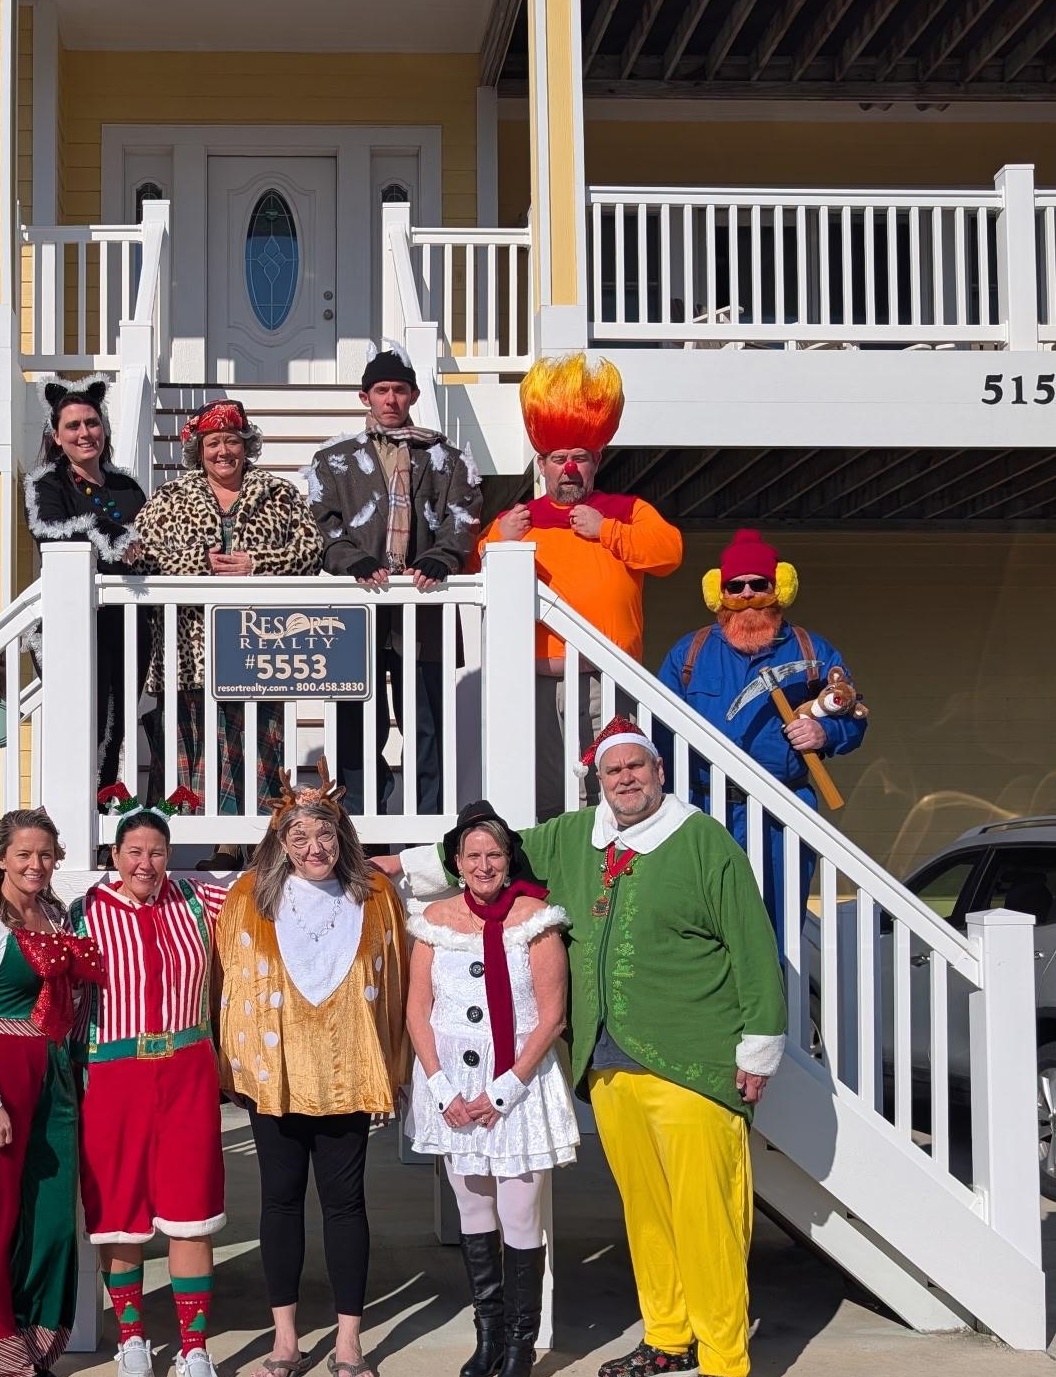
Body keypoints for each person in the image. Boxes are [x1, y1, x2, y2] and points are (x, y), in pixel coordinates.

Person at [389, 716, 786, 1377]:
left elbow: (752, 944)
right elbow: (487, 851)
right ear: (598, 780)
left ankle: (726, 1363)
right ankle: (668, 1338)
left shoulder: (704, 843)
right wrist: (392, 866)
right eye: (613, 770)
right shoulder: (577, 836)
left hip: (693, 1058)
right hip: (608, 1063)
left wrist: (757, 1047)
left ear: (658, 772)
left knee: (706, 1216)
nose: (626, 779)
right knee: (647, 1211)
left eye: (637, 767)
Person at [214, 764, 408, 1377]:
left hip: (346, 1071)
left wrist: (392, 1067)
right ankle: (285, 1339)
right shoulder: (249, 898)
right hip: (275, 1075)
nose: (314, 848)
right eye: (299, 836)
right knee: (280, 1202)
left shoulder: (374, 897)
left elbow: (398, 984)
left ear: (342, 837)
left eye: (325, 834)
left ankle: (348, 1340)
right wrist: (235, 1066)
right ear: (280, 842)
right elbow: (228, 983)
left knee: (346, 1205)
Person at [405, 801, 577, 1377]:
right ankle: (488, 1335)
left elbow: (552, 1017)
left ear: (508, 860)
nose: (483, 865)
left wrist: (504, 1089)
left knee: (520, 1215)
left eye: (494, 854)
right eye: (473, 855)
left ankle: (520, 1347)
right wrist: (441, 1088)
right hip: (453, 1086)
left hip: (517, 1087)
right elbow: (417, 1010)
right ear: (456, 862)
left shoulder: (536, 920)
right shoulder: (433, 921)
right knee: (473, 1212)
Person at [0, 808, 104, 1377]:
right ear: (2, 858)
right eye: (24, 854)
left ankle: (31, 1342)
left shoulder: (56, 916)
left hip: (53, 1076)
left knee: (52, 1214)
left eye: (45, 854)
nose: (36, 864)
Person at [68, 806, 228, 1377]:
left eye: (157, 852)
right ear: (114, 857)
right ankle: (131, 1337)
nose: (146, 863)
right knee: (120, 1210)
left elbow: (270, 895)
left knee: (192, 1209)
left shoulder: (199, 901)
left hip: (187, 1071)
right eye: (134, 851)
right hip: (116, 1075)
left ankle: (194, 1347)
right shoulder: (84, 913)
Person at [480, 354, 682, 819]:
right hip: (532, 680)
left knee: (609, 791)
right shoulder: (517, 519)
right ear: (542, 464)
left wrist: (606, 529)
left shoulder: (626, 510)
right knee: (542, 795)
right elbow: (472, 570)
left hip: (606, 678)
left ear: (597, 461)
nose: (569, 468)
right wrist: (497, 540)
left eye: (580, 458)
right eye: (558, 459)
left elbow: (669, 552)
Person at [133, 398, 322, 865]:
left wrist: (258, 564)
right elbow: (141, 556)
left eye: (232, 441)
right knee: (202, 750)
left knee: (259, 748)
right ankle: (221, 846)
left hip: (261, 648)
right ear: (199, 450)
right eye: (213, 443)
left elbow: (312, 552)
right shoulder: (170, 498)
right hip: (191, 650)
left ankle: (258, 848)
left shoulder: (278, 494)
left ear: (246, 445)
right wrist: (200, 565)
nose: (223, 451)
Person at [657, 528, 868, 943]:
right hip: (705, 809)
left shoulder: (812, 652)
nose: (748, 594)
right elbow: (658, 732)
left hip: (782, 811)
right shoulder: (689, 653)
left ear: (780, 587)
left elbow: (854, 715)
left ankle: (776, 988)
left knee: (777, 928)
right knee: (703, 923)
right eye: (735, 586)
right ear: (719, 593)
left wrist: (824, 731)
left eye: (759, 584)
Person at [306, 345, 481, 817]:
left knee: (426, 725)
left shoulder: (446, 458)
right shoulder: (335, 460)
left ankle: (430, 825)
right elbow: (321, 525)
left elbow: (463, 517)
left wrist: (443, 556)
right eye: (381, 390)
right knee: (358, 726)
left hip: (422, 607)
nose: (390, 399)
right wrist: (352, 559)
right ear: (365, 397)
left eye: (399, 390)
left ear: (413, 395)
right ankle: (362, 825)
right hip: (355, 610)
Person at [23, 379, 151, 795]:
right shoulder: (45, 484)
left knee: (116, 724)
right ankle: (73, 807)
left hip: (127, 621)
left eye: (92, 423)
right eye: (73, 426)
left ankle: (102, 805)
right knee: (83, 719)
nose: (85, 433)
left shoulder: (127, 487)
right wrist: (105, 529)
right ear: (57, 436)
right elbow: (48, 530)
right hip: (74, 625)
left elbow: (150, 541)